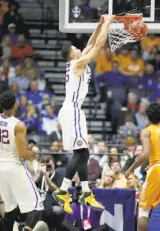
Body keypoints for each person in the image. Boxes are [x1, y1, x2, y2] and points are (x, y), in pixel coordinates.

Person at [53, 14, 114, 214]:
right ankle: (64, 191)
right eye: (76, 50)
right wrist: (107, 24)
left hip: (71, 111)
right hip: (72, 111)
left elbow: (90, 43)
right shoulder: (78, 64)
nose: (80, 50)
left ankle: (84, 192)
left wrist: (98, 24)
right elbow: (97, 47)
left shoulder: (76, 62)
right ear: (72, 55)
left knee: (83, 153)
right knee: (81, 153)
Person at [125, 103, 160, 231]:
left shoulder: (147, 131)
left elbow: (145, 154)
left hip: (157, 171)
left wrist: (130, 169)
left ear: (147, 117)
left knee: (144, 211)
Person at [0, 90, 43, 231]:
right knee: (37, 206)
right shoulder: (18, 125)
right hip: (14, 166)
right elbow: (23, 153)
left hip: (1, 168)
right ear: (14, 105)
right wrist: (34, 154)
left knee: (10, 208)